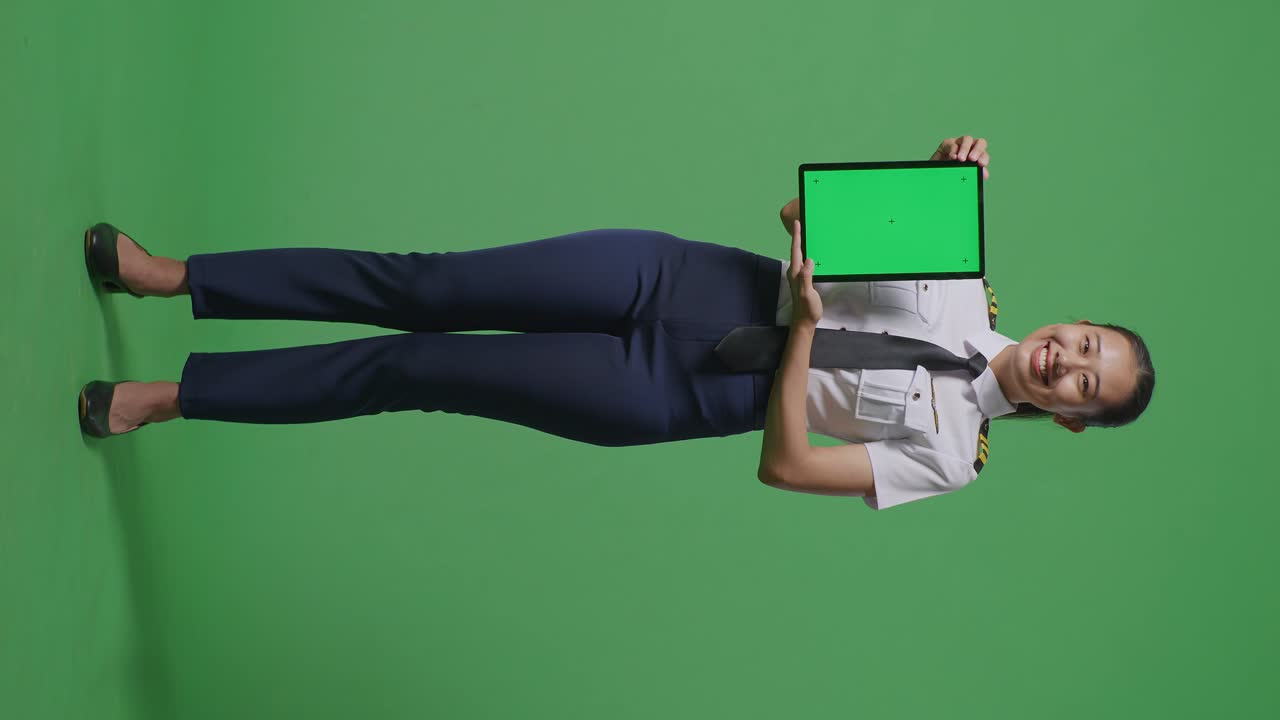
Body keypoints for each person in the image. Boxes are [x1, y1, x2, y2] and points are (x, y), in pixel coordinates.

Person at [77, 135, 1155, 510]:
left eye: (1079, 388)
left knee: (418, 368)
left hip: (691, 392)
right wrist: (916, 186)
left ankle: (176, 398)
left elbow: (786, 467)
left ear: (1065, 422)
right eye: (1084, 346)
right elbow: (799, 216)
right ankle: (173, 277)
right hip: (688, 282)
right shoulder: (963, 274)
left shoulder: (952, 460)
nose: (1064, 364)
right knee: (429, 286)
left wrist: (806, 335)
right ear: (1075, 321)